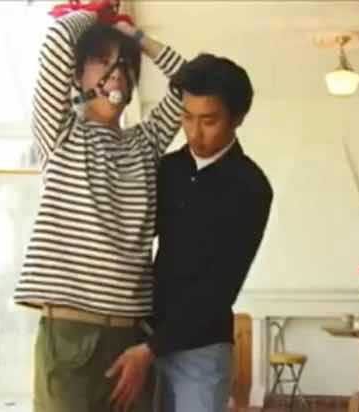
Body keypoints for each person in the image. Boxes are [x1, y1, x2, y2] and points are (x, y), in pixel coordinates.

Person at [12, 1, 186, 411]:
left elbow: (191, 81)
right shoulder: (60, 132)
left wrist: (137, 39)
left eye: (123, 66)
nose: (116, 74)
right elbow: (58, 40)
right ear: (77, 76)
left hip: (132, 342)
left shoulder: (145, 144)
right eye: (101, 62)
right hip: (69, 337)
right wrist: (98, 11)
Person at [107, 53, 273, 412]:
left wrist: (150, 349)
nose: (194, 132)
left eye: (209, 121)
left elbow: (220, 289)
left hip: (201, 352)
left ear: (238, 117)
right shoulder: (165, 170)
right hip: (142, 338)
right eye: (186, 117)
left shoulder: (251, 187)